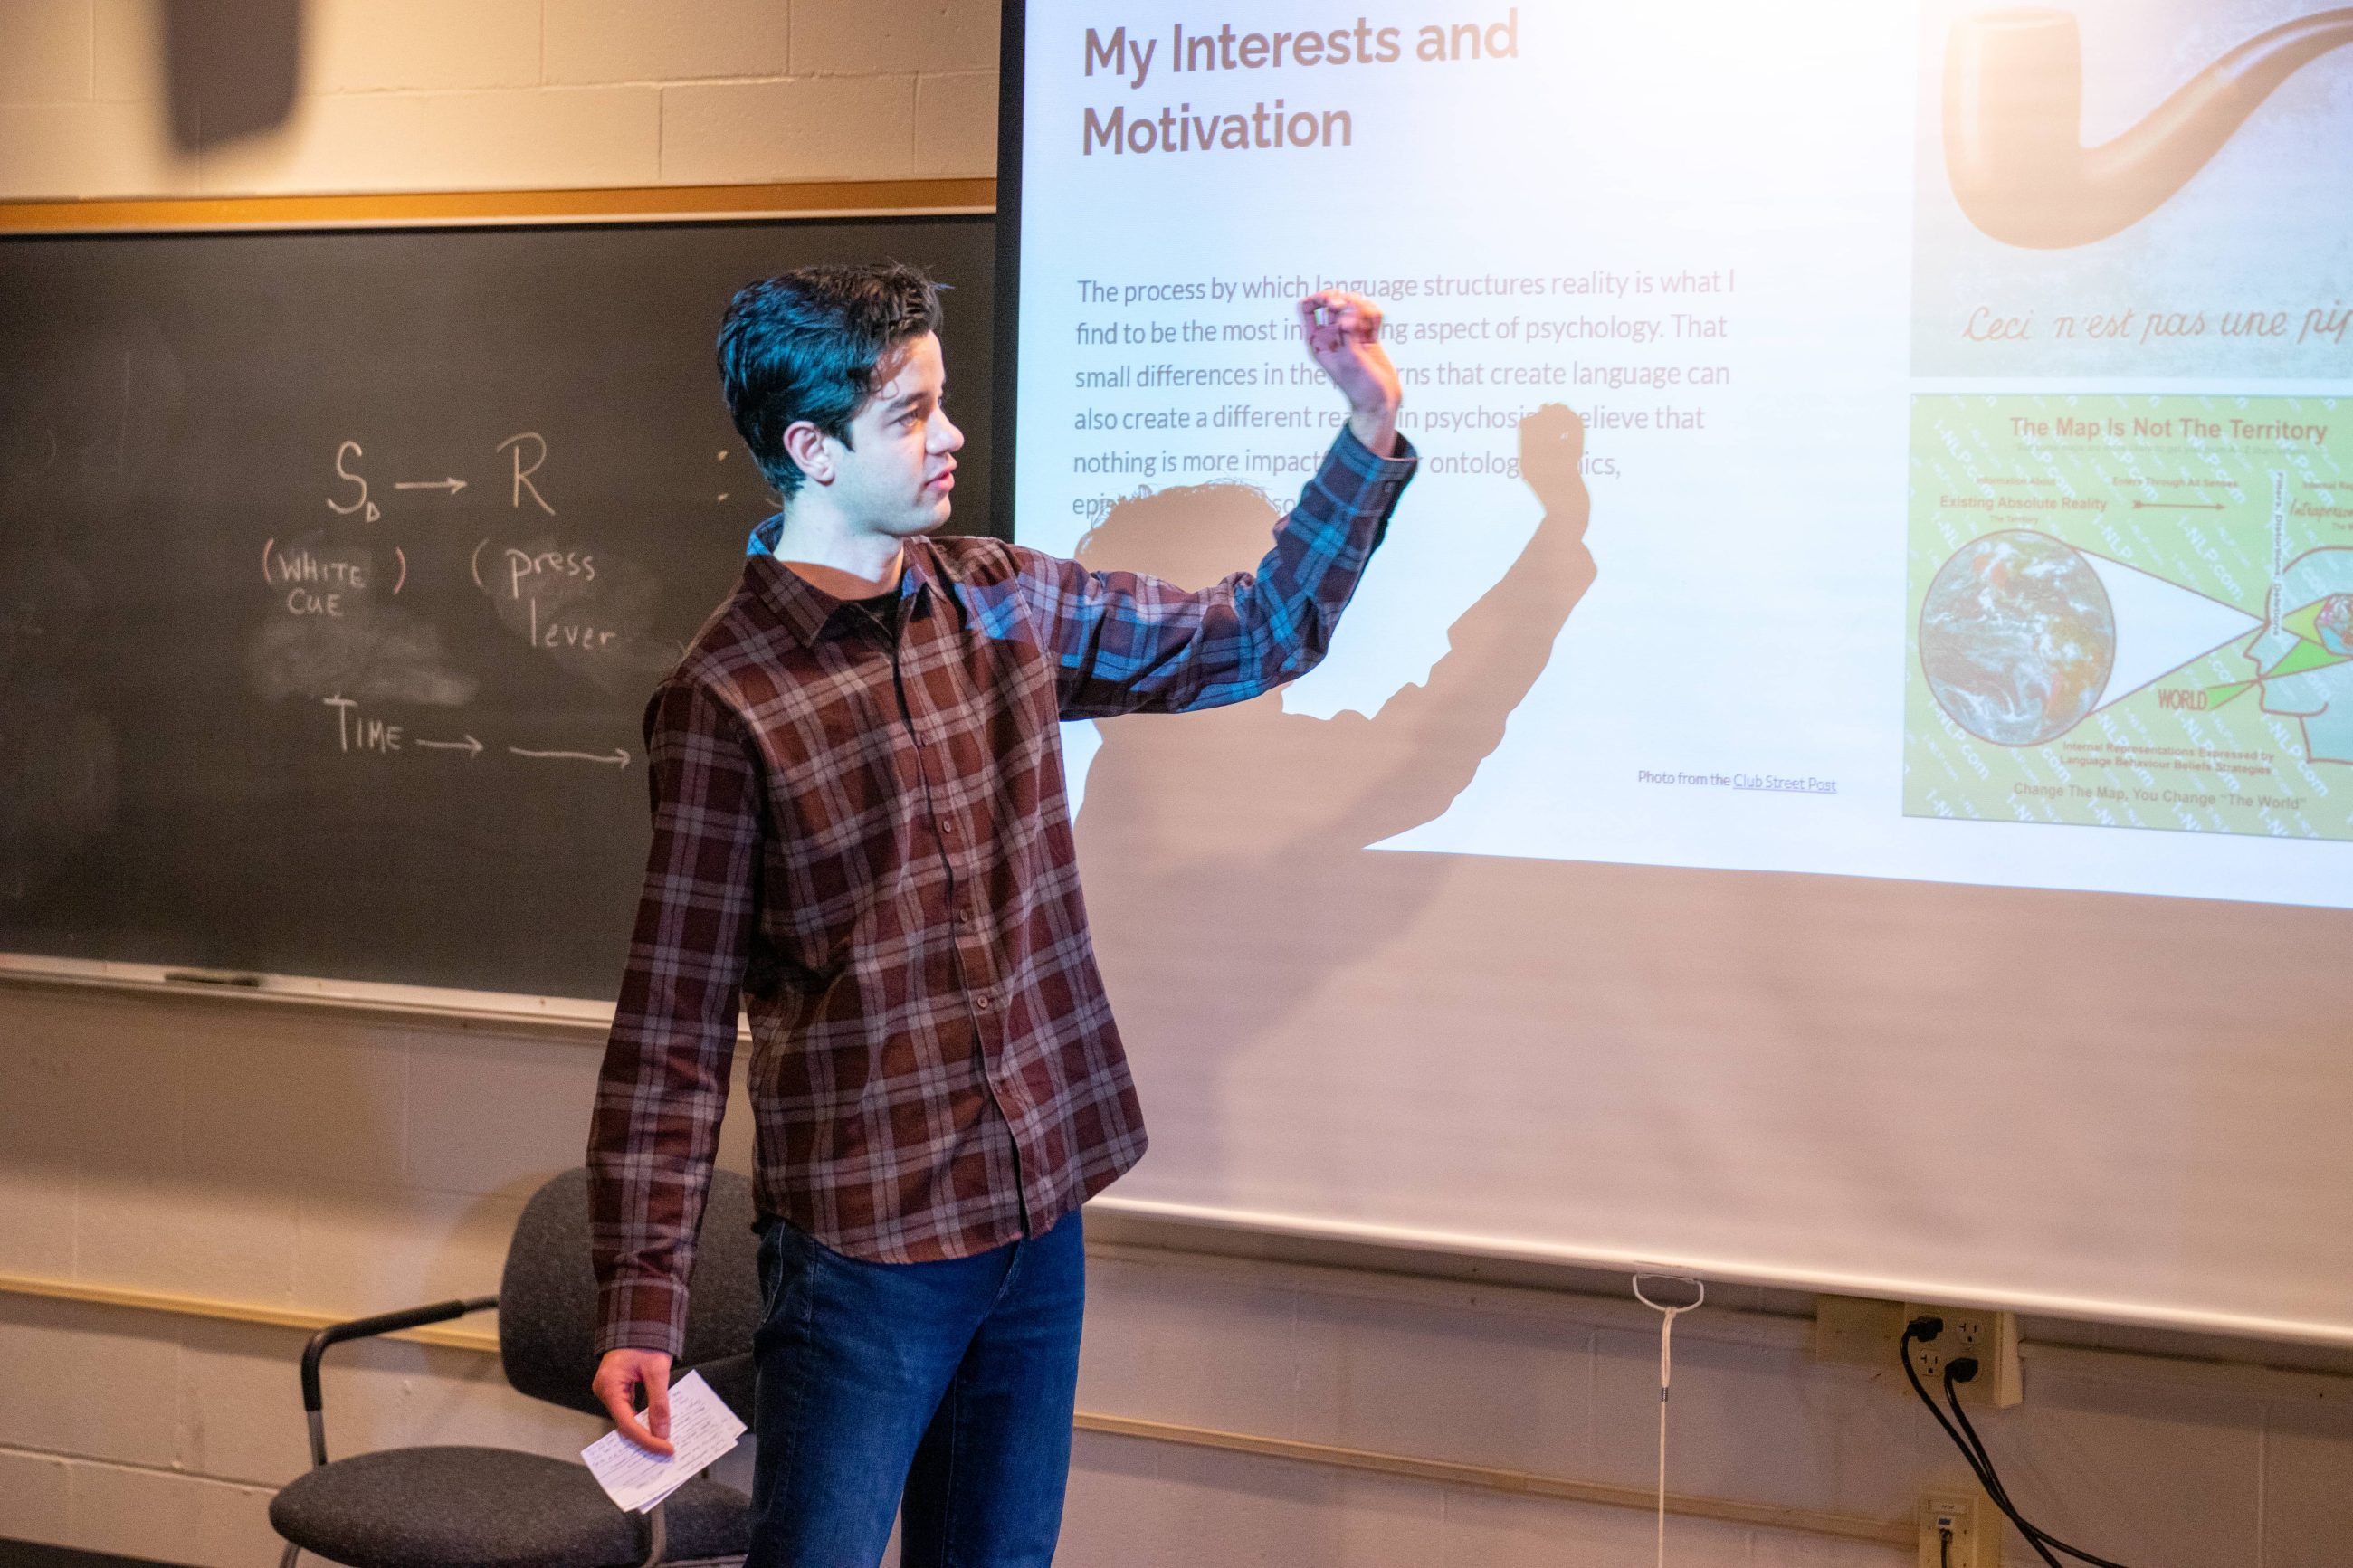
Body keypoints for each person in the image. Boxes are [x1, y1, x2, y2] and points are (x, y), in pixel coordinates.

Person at [584, 261, 1411, 1567]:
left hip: (1037, 1218)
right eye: (911, 414)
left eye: (942, 401)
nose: (951, 434)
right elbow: (674, 1025)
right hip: (867, 1251)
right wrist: (642, 1290)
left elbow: (1257, 631)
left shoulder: (1004, 601)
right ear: (811, 449)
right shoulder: (726, 699)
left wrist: (1365, 428)